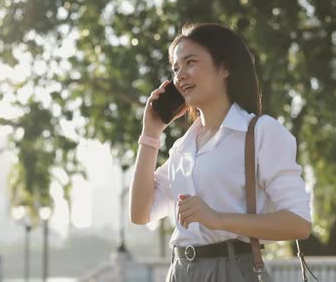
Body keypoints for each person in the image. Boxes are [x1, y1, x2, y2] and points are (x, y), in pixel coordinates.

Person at [129, 22, 312, 282]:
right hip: (179, 271)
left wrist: (217, 219)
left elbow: (299, 223)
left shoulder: (260, 132)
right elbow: (140, 213)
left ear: (225, 67)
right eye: (176, 68)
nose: (180, 75)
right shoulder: (183, 147)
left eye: (190, 62)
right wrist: (150, 134)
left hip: (233, 270)